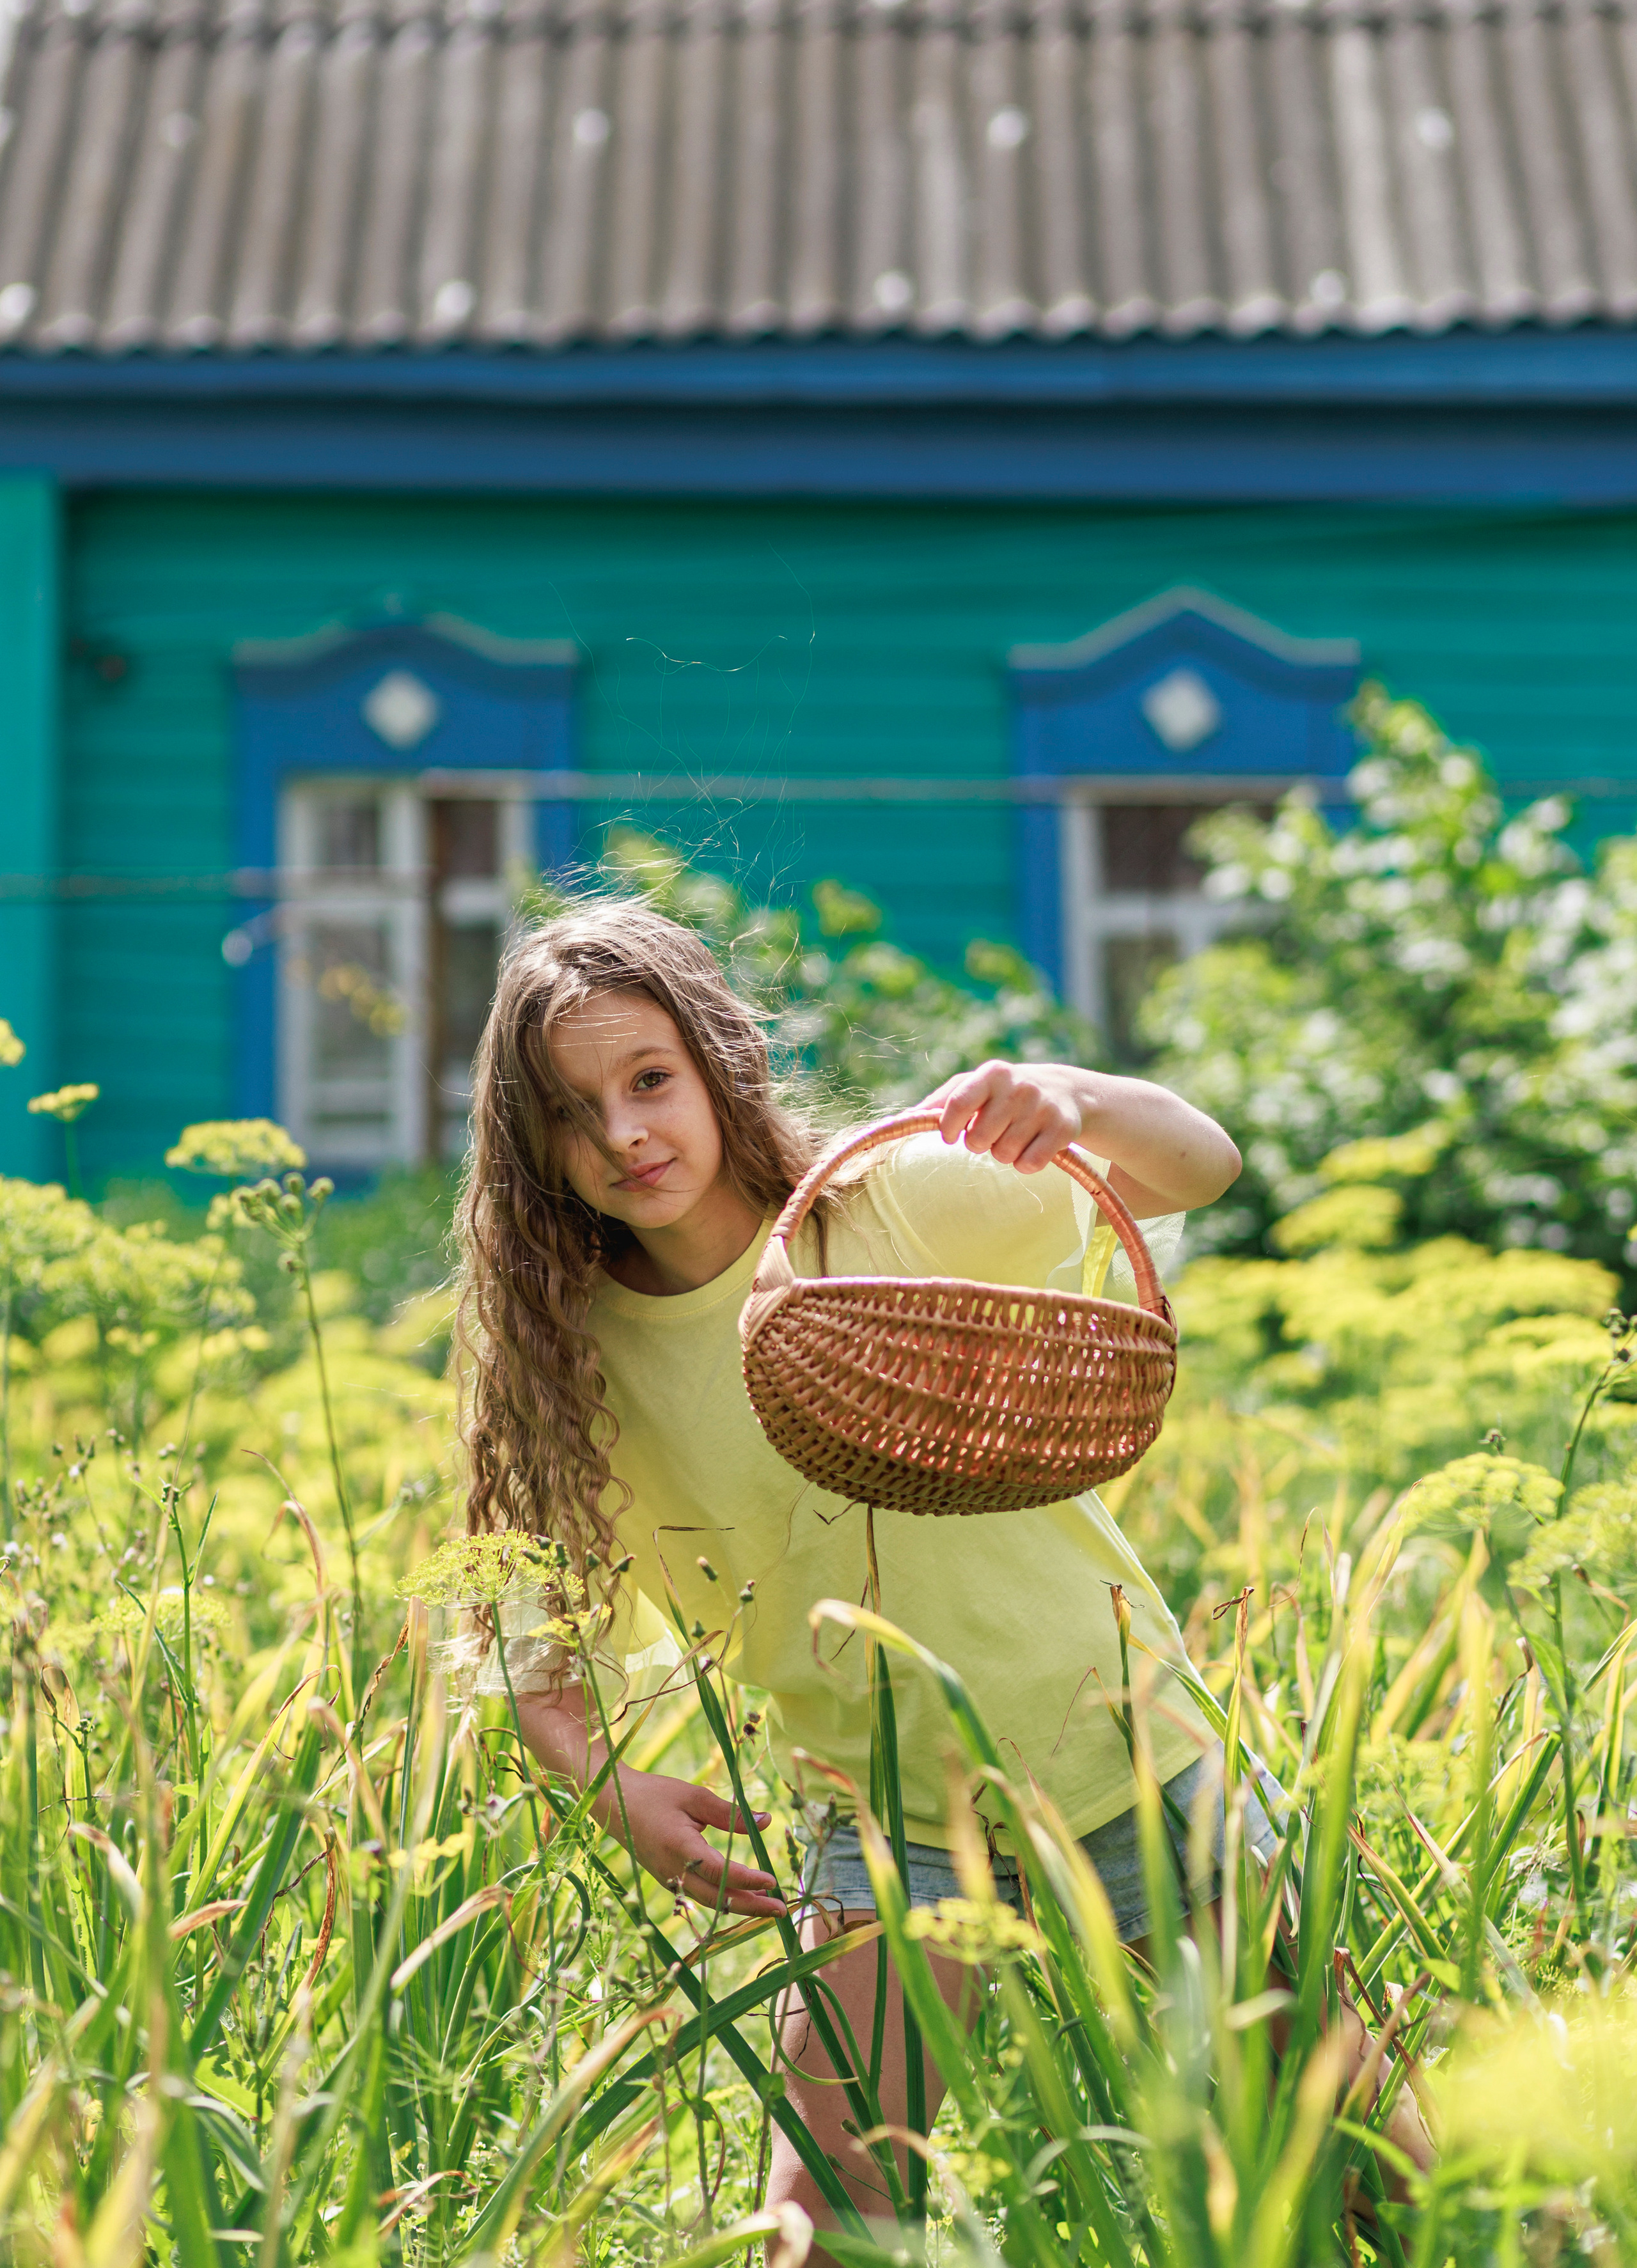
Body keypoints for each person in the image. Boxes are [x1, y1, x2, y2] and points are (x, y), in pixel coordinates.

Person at [451, 900, 1409, 2249]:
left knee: (1351, 2143)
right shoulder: (574, 1354)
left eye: (648, 1080)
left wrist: (1071, 1097)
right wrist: (607, 1787)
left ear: (717, 1061)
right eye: (569, 1110)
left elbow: (1197, 1164)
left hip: (1117, 1748)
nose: (621, 1134)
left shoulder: (883, 1204)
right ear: (528, 1143)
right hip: (886, 1816)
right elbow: (526, 1619)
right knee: (825, 2207)